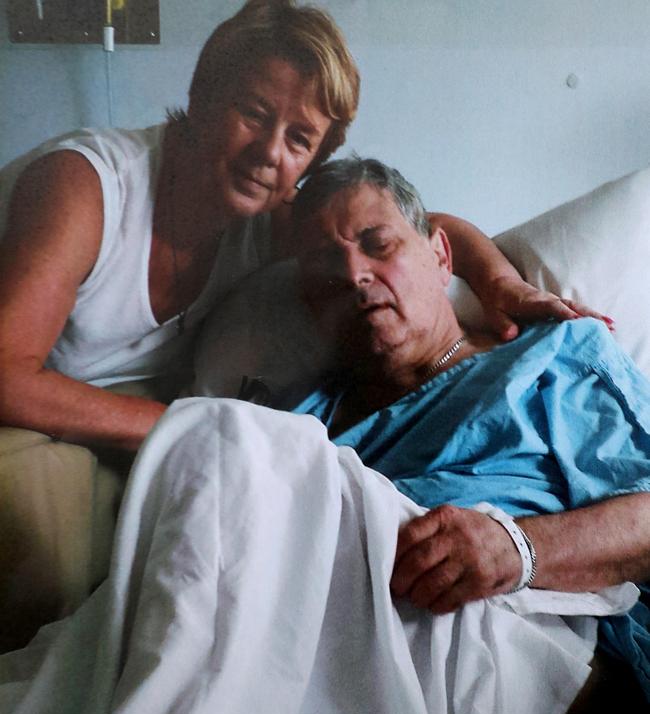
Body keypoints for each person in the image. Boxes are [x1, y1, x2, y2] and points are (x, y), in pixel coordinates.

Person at [0, 0, 594, 650]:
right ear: (202, 96)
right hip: (22, 411)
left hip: (118, 428)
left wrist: (501, 283)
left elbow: (421, 229)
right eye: (252, 113)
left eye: (299, 139)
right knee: (49, 569)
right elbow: (7, 374)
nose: (269, 152)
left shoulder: (264, 209)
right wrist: (193, 425)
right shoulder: (86, 186)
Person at [288, 155, 650, 714]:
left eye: (378, 245)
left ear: (440, 256)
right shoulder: (296, 427)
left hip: (533, 654)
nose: (354, 276)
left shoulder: (552, 362)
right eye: (326, 271)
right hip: (327, 672)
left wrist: (516, 548)